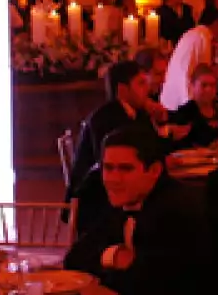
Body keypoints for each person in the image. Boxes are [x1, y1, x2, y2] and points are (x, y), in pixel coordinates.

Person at [66, 126, 213, 295]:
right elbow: (74, 258)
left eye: (125, 169)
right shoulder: (122, 199)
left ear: (154, 171)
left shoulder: (177, 211)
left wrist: (118, 271)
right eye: (108, 168)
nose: (113, 179)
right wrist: (116, 256)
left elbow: (146, 283)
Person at [66, 60, 164, 207]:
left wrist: (161, 122)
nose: (147, 89)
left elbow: (153, 147)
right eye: (141, 84)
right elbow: (105, 162)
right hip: (95, 197)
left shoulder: (139, 113)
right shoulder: (104, 118)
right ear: (123, 90)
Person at [159, 7, 218, 110]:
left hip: (170, 98)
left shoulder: (191, 33)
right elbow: (203, 74)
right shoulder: (204, 36)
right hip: (184, 99)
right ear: (216, 23)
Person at [167, 64, 218, 147]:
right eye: (204, 85)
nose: (209, 89)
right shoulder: (184, 114)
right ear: (192, 86)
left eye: (213, 85)